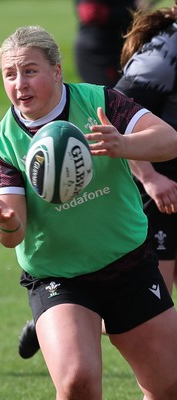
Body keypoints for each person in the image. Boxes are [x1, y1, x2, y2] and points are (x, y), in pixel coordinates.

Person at [0, 25, 177, 399]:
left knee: (168, 385)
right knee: (77, 381)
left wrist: (124, 143)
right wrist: (8, 222)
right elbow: (10, 236)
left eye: (30, 71)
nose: (20, 84)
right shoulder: (1, 144)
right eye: (10, 75)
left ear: (57, 71)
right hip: (58, 275)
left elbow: (169, 141)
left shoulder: (100, 102)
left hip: (127, 262)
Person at [114, 1, 177, 296]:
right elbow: (112, 115)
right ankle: (62, 314)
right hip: (160, 190)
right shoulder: (165, 52)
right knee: (153, 304)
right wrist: (150, 177)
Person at [74, 0, 138, 86]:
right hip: (101, 52)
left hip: (119, 48)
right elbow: (90, 12)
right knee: (109, 96)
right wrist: (133, 7)